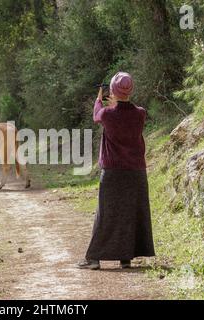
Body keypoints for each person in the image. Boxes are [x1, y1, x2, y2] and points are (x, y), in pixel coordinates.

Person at [78, 72, 155, 270]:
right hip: (137, 172)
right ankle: (125, 258)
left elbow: (98, 115)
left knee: (105, 214)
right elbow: (125, 115)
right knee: (130, 212)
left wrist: (98, 100)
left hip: (113, 171)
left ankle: (94, 258)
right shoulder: (141, 113)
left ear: (111, 90)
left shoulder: (106, 113)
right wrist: (115, 103)